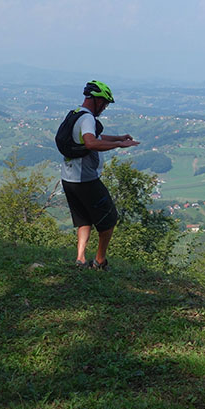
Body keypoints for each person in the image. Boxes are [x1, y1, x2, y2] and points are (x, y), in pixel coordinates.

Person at [60, 80, 139, 269]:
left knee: (84, 220)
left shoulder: (76, 114)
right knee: (109, 219)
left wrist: (118, 137)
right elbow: (90, 142)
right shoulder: (88, 118)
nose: (104, 108)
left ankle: (80, 259)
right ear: (96, 100)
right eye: (104, 103)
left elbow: (96, 137)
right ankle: (100, 261)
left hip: (68, 178)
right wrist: (120, 145)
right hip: (85, 180)